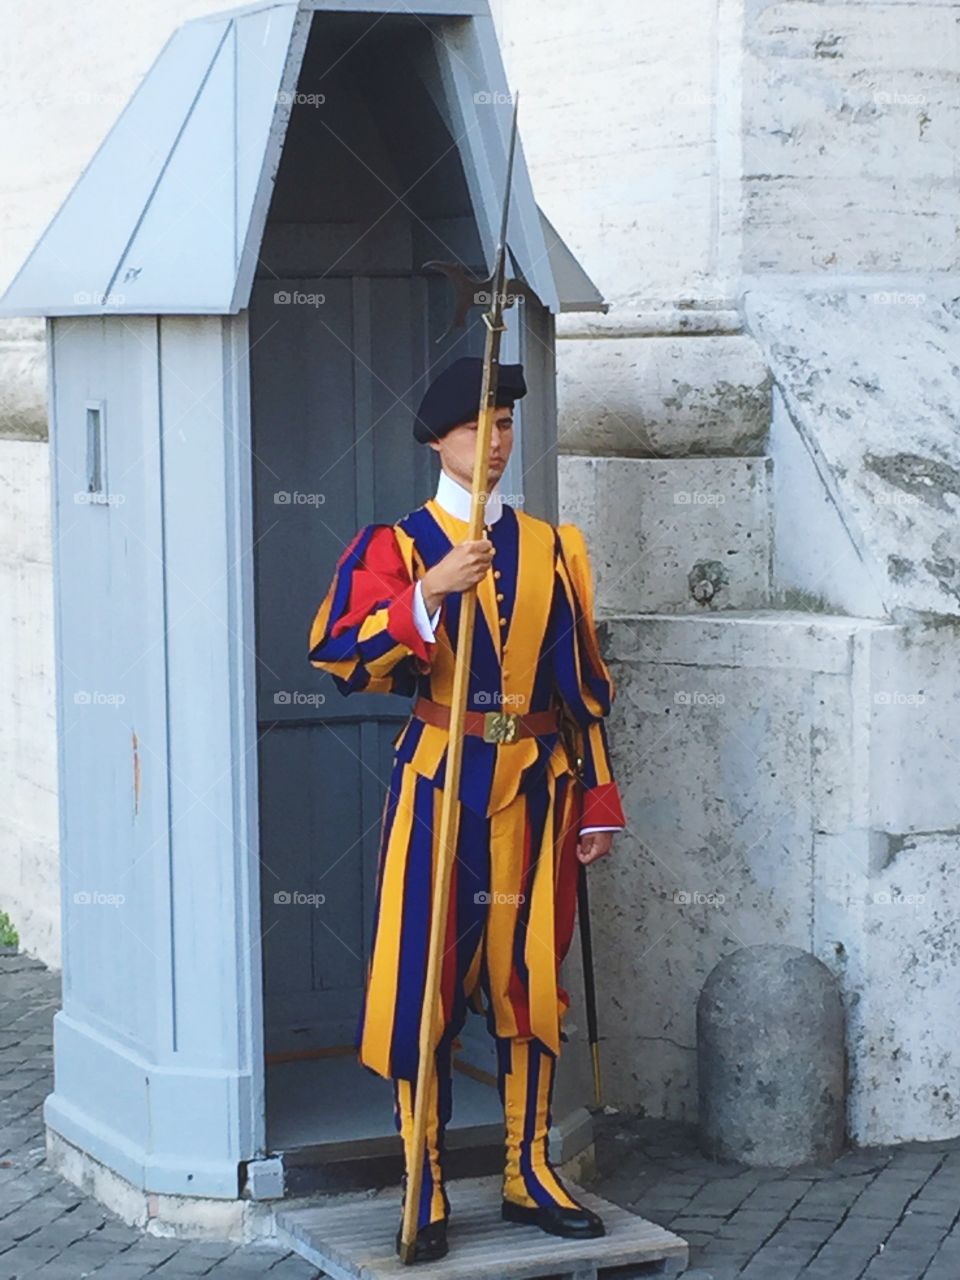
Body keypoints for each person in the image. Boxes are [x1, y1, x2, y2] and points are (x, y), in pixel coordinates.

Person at [307, 355, 626, 1263]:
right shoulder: (397, 546)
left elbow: (581, 692)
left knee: (529, 981)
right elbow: (336, 650)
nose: (497, 439)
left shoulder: (549, 547)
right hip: (439, 785)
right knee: (423, 985)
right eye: (480, 424)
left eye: (505, 423)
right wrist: (427, 596)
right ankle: (427, 1177)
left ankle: (529, 1170)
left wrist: (596, 797)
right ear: (438, 439)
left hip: (534, 783)